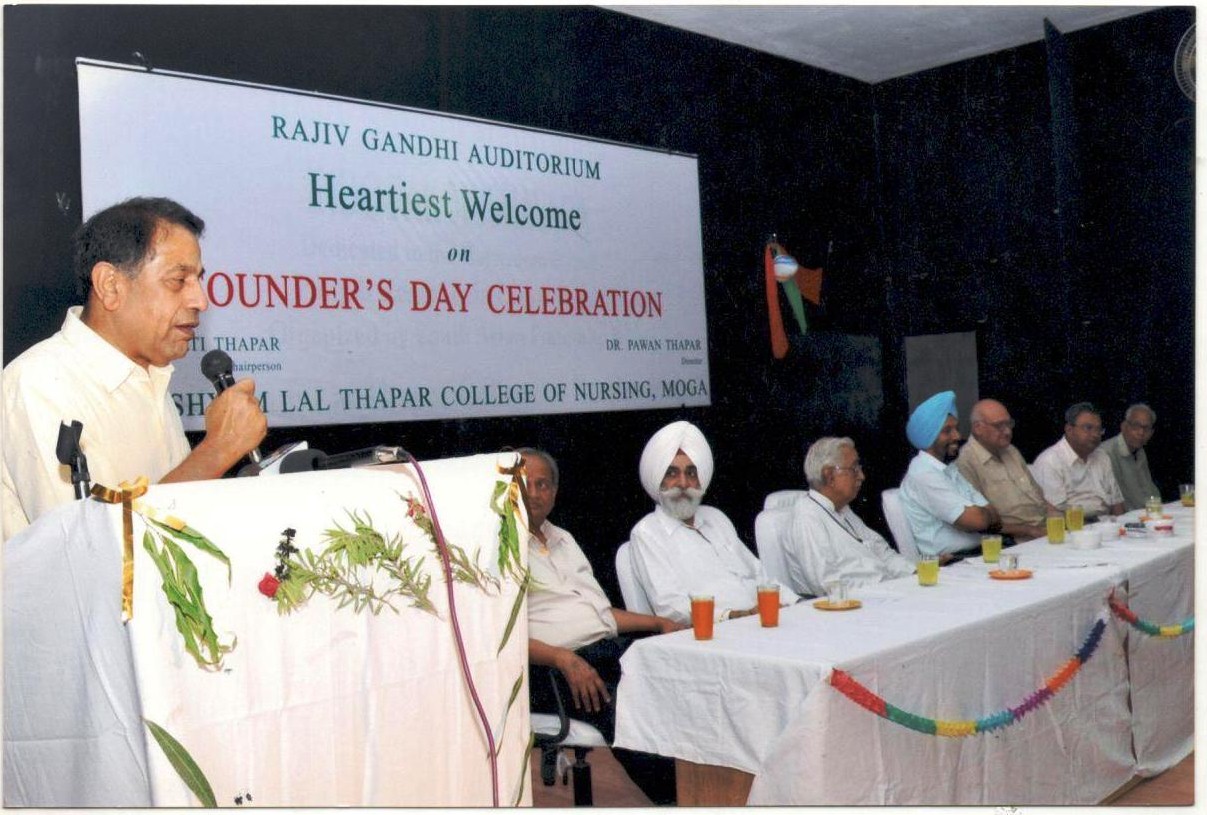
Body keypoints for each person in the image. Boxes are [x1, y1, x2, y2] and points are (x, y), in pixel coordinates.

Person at [1, 197, 267, 540]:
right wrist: (217, 450)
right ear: (110, 285)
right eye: (178, 280)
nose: (200, 300)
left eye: (199, 280)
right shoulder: (39, 385)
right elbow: (84, 549)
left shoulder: (150, 379)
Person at [520, 448, 684, 805]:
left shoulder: (563, 539)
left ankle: (708, 789)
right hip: (551, 669)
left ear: (554, 492)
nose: (533, 492)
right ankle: (675, 800)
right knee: (629, 707)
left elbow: (600, 613)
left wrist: (659, 623)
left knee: (677, 676)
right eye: (524, 483)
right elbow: (499, 638)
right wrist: (563, 659)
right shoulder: (498, 550)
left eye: (542, 484)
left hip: (601, 650)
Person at [628, 420, 798, 625]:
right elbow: (670, 607)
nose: (683, 483)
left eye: (691, 473)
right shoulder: (647, 533)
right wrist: (733, 615)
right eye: (671, 473)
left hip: (760, 621)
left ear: (701, 480)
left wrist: (797, 603)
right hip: (716, 632)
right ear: (658, 481)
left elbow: (760, 576)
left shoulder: (716, 518)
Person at [782, 437, 914, 597]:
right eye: (854, 469)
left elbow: (883, 554)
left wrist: (915, 573)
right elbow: (826, 584)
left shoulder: (842, 509)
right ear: (829, 476)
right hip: (856, 603)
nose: (862, 476)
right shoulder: (807, 517)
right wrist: (887, 588)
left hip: (885, 593)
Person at [898, 390, 1002, 558]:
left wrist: (980, 518)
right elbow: (978, 521)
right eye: (947, 431)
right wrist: (980, 518)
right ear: (928, 437)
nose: (957, 436)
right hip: (954, 561)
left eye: (956, 429)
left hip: (980, 553)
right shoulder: (923, 474)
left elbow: (994, 517)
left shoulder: (948, 469)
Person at [956, 399, 1061, 541]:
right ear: (978, 428)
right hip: (1012, 540)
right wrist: (1029, 530)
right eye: (999, 426)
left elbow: (1039, 499)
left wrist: (1060, 518)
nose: (1007, 431)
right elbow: (979, 521)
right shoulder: (965, 461)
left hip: (1044, 530)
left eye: (1009, 424)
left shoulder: (1011, 450)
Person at [1032, 402, 1125, 519]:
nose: (1095, 435)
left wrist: (1122, 526)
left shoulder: (1102, 456)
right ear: (1069, 429)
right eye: (1088, 428)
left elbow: (1117, 502)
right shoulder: (1050, 461)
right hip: (1073, 526)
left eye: (1099, 429)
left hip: (1106, 524)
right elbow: (1054, 514)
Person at [1104, 403, 1160, 511]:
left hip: (1146, 514)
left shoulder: (1139, 451)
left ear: (1151, 433)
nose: (1141, 432)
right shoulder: (1106, 454)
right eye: (1136, 426)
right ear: (1123, 427)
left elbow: (1149, 491)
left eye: (1146, 428)